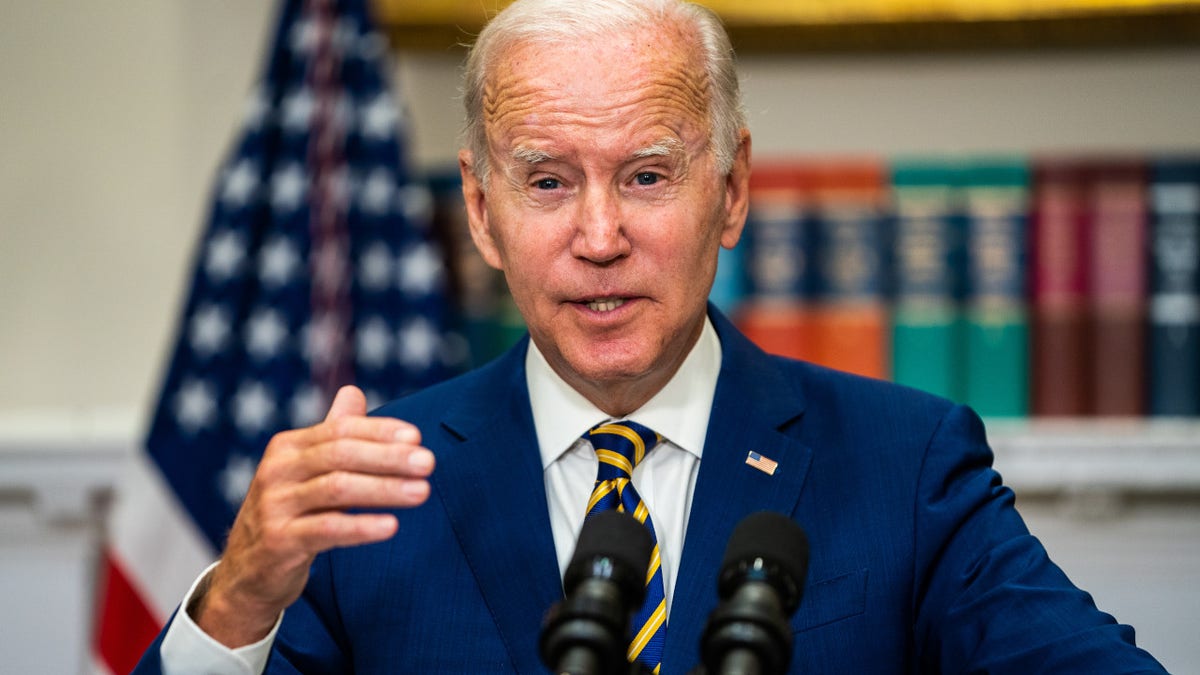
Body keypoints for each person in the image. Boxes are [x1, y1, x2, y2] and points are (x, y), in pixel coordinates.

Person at [136, 0, 1166, 672]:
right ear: (482, 211)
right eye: (547, 181)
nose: (599, 237)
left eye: (646, 176)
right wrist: (234, 602)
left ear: (732, 192)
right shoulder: (369, 500)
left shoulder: (906, 464)